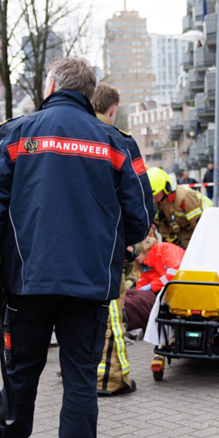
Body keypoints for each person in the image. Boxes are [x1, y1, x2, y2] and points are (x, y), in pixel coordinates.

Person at [0, 57, 151, 438]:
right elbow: (141, 218)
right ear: (91, 94)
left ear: (50, 85)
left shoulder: (9, 136)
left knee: (20, 378)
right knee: (80, 383)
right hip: (88, 287)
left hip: (25, 284)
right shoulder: (117, 143)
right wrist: (111, 247)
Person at [91, 81, 137, 397]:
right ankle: (112, 379)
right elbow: (137, 199)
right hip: (107, 247)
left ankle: (78, 371)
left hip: (70, 248)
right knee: (111, 318)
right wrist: (130, 243)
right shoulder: (117, 142)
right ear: (113, 109)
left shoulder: (65, 136)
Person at [149, 167, 212, 249]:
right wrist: (174, 245)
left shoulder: (184, 197)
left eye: (157, 193)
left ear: (166, 188)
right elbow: (162, 226)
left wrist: (199, 246)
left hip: (198, 227)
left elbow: (197, 225)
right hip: (181, 231)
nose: (154, 196)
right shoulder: (157, 201)